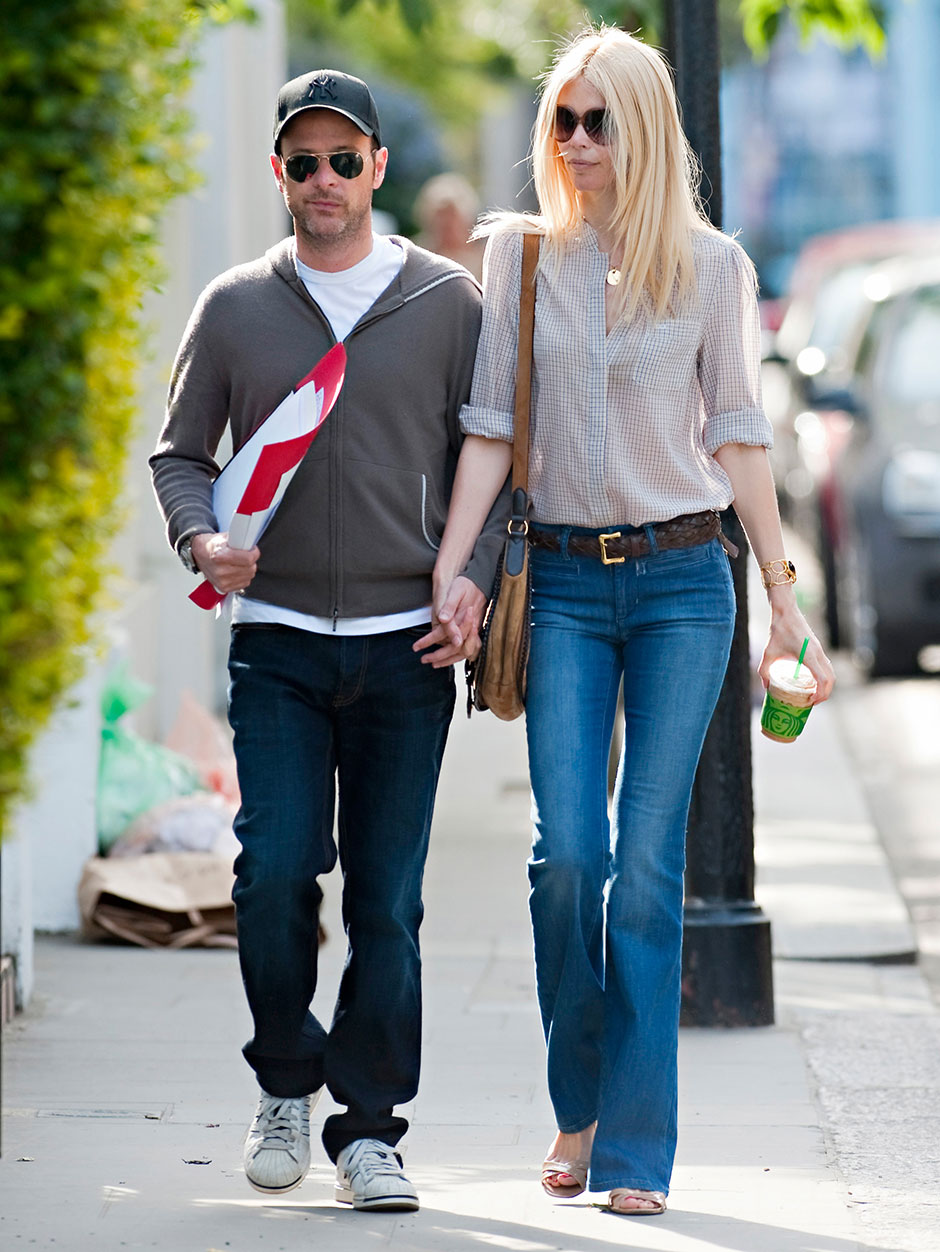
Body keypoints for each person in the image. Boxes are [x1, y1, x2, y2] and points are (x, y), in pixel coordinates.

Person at [419, 26, 835, 1217]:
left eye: (600, 121)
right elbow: (491, 429)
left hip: (680, 589)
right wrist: (453, 573)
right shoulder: (522, 262)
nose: (579, 142)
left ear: (644, 127)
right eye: (564, 121)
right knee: (569, 862)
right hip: (556, 585)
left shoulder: (710, 266)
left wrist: (783, 605)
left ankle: (634, 1152)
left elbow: (740, 437)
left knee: (644, 871)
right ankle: (578, 1100)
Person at [150, 68, 504, 1212]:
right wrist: (204, 544)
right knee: (271, 879)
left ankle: (368, 1131)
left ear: (376, 170)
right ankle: (287, 1081)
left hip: (408, 649)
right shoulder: (237, 307)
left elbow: (493, 467)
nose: (323, 182)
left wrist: (476, 582)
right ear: (279, 175)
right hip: (280, 645)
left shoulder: (447, 301)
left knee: (385, 905)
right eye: (302, 163)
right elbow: (181, 458)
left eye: (342, 161)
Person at [414, 172, 486, 281]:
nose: (445, 222)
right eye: (440, 215)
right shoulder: (417, 255)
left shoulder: (485, 258)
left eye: (451, 214)